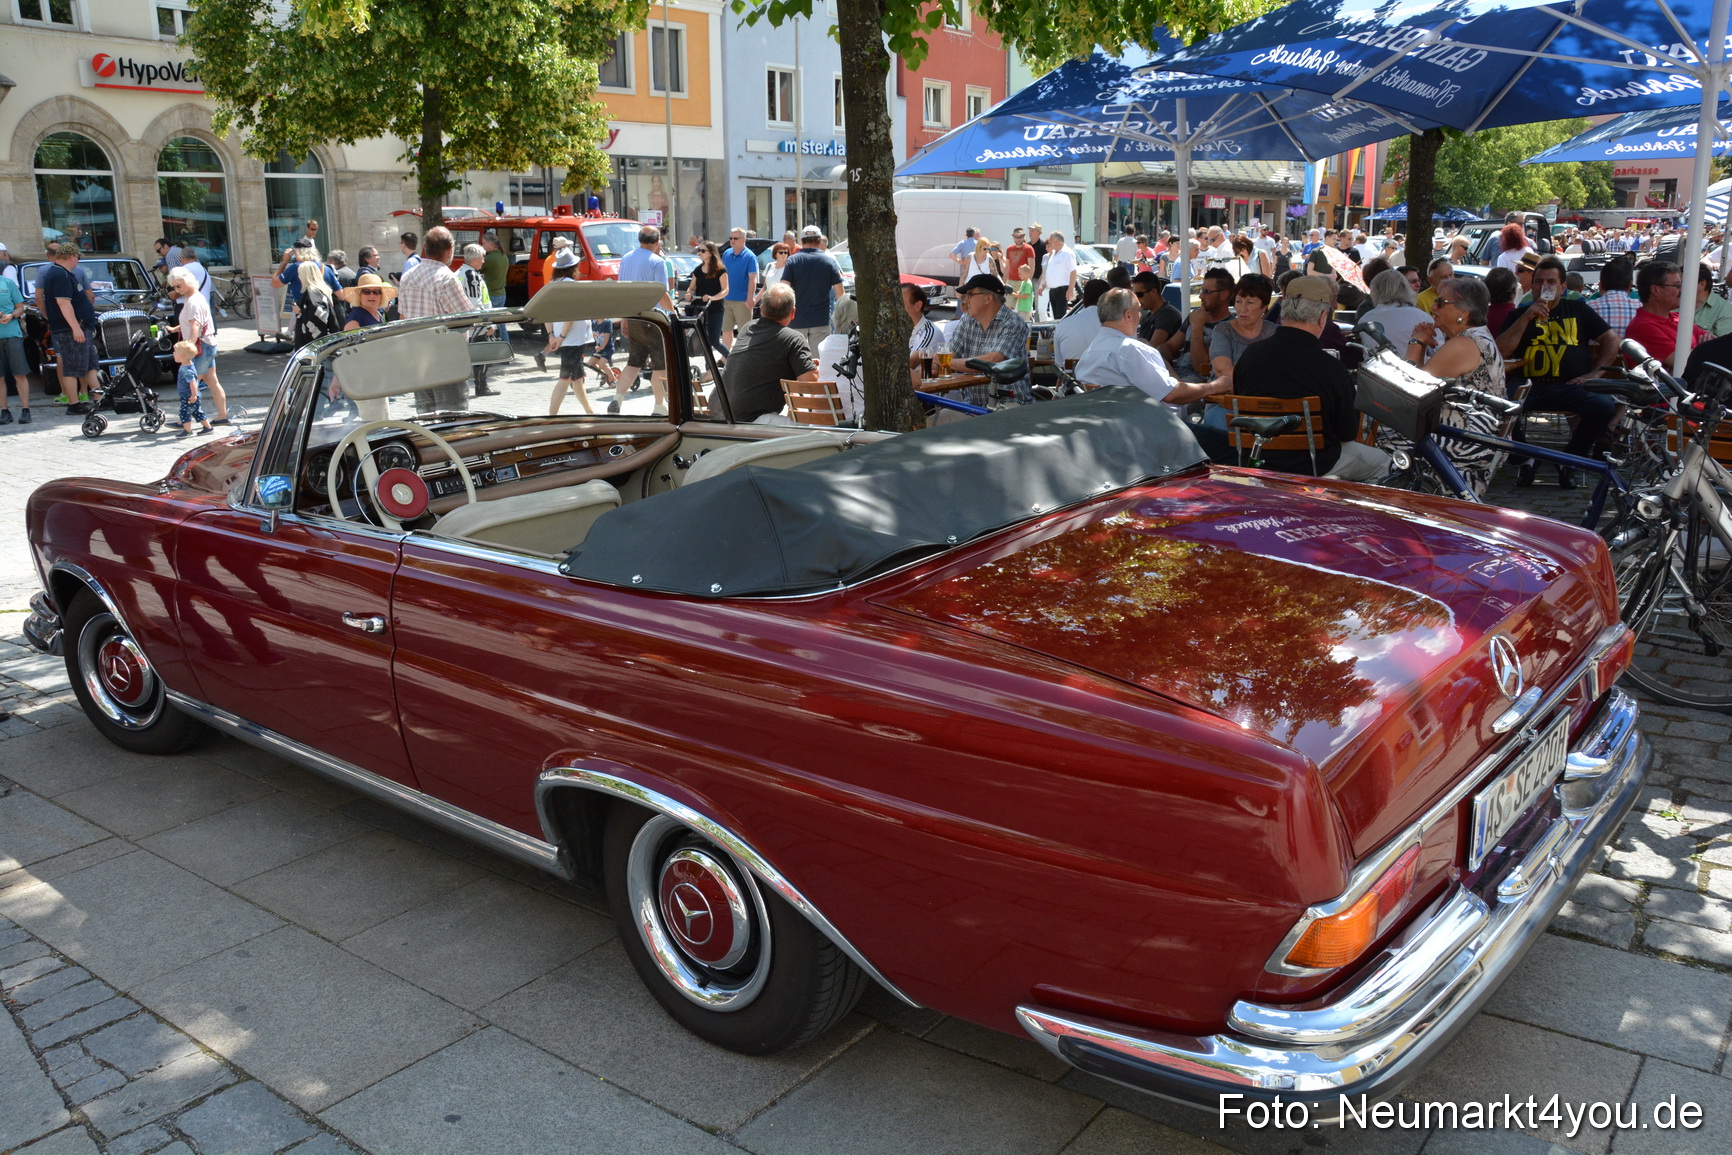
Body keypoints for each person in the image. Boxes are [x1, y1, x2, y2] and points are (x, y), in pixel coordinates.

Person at [1232, 276, 1391, 480]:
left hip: (1256, 457)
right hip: (1315, 463)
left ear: (1284, 312)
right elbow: (1347, 433)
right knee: (1387, 465)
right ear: (1322, 317)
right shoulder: (1331, 367)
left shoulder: (1249, 356)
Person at [1496, 255, 1619, 486]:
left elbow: (1611, 339)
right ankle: (1525, 458)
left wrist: (1596, 374)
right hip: (1529, 385)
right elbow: (1500, 351)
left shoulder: (1578, 309)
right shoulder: (1518, 314)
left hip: (1572, 385)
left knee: (1604, 406)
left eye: (1551, 282)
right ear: (1530, 286)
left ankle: (1570, 459)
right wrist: (1528, 316)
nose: (1544, 287)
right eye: (1538, 282)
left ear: (1563, 287)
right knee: (1497, 406)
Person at [1397, 276, 1510, 498]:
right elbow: (1424, 380)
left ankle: (1401, 506)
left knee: (1384, 440)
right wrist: (1419, 345)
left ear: (1464, 312)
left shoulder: (1464, 343)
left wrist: (1416, 341)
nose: (1433, 306)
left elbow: (1409, 387)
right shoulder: (1473, 337)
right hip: (1476, 431)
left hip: (1465, 438)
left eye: (1441, 302)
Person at [1074, 288, 1231, 409]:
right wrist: (1215, 386)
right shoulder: (1130, 350)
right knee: (1227, 443)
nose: (1141, 316)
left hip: (1112, 432)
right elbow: (1172, 395)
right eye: (1138, 311)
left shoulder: (1091, 351)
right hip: (1154, 434)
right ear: (1129, 316)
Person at [398, 227, 475, 413]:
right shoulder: (447, 279)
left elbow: (402, 318)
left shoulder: (408, 276)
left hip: (417, 358)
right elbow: (468, 317)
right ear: (449, 250)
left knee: (426, 420)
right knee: (453, 420)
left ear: (425, 247)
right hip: (446, 359)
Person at [721, 282, 816, 422]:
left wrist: (799, 366)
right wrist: (814, 369)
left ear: (762, 309)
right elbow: (809, 381)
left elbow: (761, 361)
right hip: (756, 419)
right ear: (793, 312)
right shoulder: (793, 338)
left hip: (725, 414)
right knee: (811, 429)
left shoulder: (748, 328)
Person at [614, 225, 674, 415]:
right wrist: (673, 314)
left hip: (633, 317)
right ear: (657, 242)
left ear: (639, 240)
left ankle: (617, 398)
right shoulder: (657, 261)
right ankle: (659, 406)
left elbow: (621, 291)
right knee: (660, 364)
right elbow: (662, 293)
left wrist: (624, 318)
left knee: (634, 361)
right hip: (653, 318)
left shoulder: (626, 258)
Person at [949, 273, 1031, 407]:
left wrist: (946, 363)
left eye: (970, 295)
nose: (964, 301)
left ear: (988, 298)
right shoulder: (967, 320)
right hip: (973, 406)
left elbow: (993, 361)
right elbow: (948, 354)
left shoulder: (1013, 323)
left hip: (1009, 405)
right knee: (930, 423)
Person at [40, 243, 98, 407]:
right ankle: (74, 404)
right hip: (70, 329)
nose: (78, 261)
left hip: (80, 326)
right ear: (72, 257)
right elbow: (63, 303)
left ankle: (99, 398)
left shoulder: (65, 273)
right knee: (72, 367)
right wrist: (76, 327)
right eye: (77, 258)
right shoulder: (59, 274)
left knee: (90, 365)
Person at [1625, 259, 1707, 370]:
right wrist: (1702, 347)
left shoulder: (1677, 318)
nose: (1682, 290)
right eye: (1677, 285)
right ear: (1655, 290)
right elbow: (1681, 362)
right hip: (1668, 386)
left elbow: (1715, 344)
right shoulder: (1643, 327)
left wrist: (1700, 350)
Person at [1164, 266, 1235, 382]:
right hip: (1174, 374)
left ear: (1224, 294)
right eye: (1202, 291)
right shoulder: (1195, 316)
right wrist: (1159, 354)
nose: (1201, 296)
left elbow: (1200, 367)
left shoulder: (1228, 327)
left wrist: (1197, 328)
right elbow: (1171, 346)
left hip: (1196, 383)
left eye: (1207, 292)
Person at [1209, 273, 1276, 388]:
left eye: (1250, 302)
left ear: (1264, 306)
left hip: (1265, 399)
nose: (1242, 309)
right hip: (1225, 399)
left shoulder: (1275, 333)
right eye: (1239, 301)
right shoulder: (1223, 331)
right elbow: (1222, 370)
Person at [783, 225, 844, 352]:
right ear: (820, 241)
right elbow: (840, 295)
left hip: (796, 319)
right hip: (820, 319)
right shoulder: (829, 261)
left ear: (802, 241)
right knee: (818, 362)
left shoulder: (792, 260)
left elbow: (783, 290)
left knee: (796, 361)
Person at [1360, 268, 1433, 354]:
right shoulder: (1422, 318)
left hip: (1377, 367)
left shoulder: (1365, 320)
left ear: (1375, 291)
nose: (1418, 284)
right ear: (1406, 288)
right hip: (1415, 366)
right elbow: (1437, 351)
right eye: (1413, 281)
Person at [687, 241, 730, 361]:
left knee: (714, 341)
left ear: (711, 253)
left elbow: (725, 290)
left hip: (715, 309)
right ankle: (709, 368)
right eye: (699, 251)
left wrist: (712, 297)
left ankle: (732, 360)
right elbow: (691, 287)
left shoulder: (720, 270)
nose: (700, 253)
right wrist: (689, 294)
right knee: (704, 341)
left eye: (703, 251)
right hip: (700, 309)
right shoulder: (698, 270)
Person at [0, 263, 31, 424]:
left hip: (12, 334)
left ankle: (25, 410)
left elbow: (20, 308)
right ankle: (4, 411)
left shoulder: (7, 283)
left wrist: (11, 316)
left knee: (19, 374)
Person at [1054, 278, 1110, 365]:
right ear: (1109, 302)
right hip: (1105, 377)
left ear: (1084, 302)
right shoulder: (1118, 326)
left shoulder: (1063, 325)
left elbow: (1059, 365)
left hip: (1072, 377)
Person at [720, 228, 758, 349]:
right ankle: (725, 357)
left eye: (736, 238)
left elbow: (753, 278)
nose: (732, 241)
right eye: (731, 238)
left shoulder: (750, 256)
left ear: (744, 240)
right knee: (726, 330)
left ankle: (743, 356)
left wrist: (750, 298)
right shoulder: (726, 253)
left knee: (744, 331)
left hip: (743, 301)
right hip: (726, 299)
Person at [291, 260, 341, 349]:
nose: (299, 276)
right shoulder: (320, 290)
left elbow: (317, 314)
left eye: (300, 273)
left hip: (312, 342)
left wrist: (300, 312)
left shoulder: (312, 292)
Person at [171, 339, 214, 437]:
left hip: (189, 396)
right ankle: (208, 427)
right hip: (191, 395)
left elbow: (192, 383)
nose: (173, 353)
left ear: (182, 356)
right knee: (197, 411)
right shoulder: (188, 365)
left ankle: (188, 431)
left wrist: (193, 395)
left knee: (184, 412)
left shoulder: (186, 370)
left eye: (175, 352)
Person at [1131, 271, 1180, 347]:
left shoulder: (1167, 315)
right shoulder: (1148, 316)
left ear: (1153, 291)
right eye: (1134, 295)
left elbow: (1153, 347)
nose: (1137, 299)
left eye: (1139, 294)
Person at [903, 283, 945, 372]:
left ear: (918, 305)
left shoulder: (930, 331)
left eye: (900, 302)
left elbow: (911, 363)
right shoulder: (898, 329)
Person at [1040, 232, 1078, 319]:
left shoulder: (1067, 253)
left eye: (1051, 240)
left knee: (1060, 318)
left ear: (1057, 241)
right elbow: (1053, 272)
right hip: (1053, 290)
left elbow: (1073, 271)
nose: (1049, 242)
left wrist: (1070, 289)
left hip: (1062, 290)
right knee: (1055, 317)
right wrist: (1043, 285)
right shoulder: (1054, 253)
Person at [1695, 264, 1732, 338]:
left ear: (1702, 284)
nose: (1678, 288)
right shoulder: (1671, 301)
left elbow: (1724, 345)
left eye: (1680, 284)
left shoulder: (1724, 309)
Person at [1004, 228, 1036, 315]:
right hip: (1010, 281)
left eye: (1021, 236)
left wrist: (1028, 281)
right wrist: (1003, 282)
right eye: (1016, 237)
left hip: (1022, 282)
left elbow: (1032, 267)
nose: (1018, 239)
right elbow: (1007, 267)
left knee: (1022, 309)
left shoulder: (1029, 249)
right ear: (1013, 237)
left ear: (1024, 237)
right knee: (1008, 308)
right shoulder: (1009, 249)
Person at [480, 233, 508, 308]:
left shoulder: (488, 259)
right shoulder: (504, 256)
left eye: (484, 243)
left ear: (490, 243)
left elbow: (476, 270)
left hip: (490, 294)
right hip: (502, 294)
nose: (483, 246)